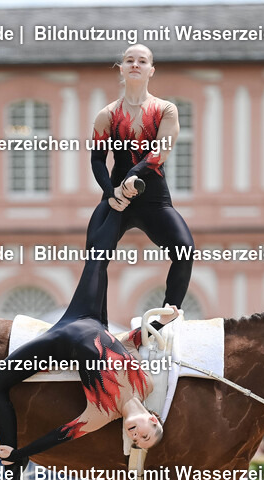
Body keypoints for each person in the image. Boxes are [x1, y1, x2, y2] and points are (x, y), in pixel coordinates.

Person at [0, 249, 176, 480]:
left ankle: (12, 466)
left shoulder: (102, 414)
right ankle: (113, 209)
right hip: (88, 319)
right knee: (98, 257)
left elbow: (60, 435)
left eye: (137, 441)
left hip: (61, 341)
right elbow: (131, 340)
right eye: (144, 435)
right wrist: (164, 320)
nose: (135, 436)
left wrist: (19, 454)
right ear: (153, 420)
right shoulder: (146, 384)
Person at [85, 43, 194, 327]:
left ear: (151, 70)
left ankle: (166, 318)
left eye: (142, 61)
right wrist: (112, 194)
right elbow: (97, 160)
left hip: (154, 199)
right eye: (129, 60)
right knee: (95, 255)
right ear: (121, 68)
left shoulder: (165, 109)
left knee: (184, 249)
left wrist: (131, 177)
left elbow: (160, 151)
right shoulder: (107, 115)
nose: (135, 64)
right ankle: (97, 324)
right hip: (116, 199)